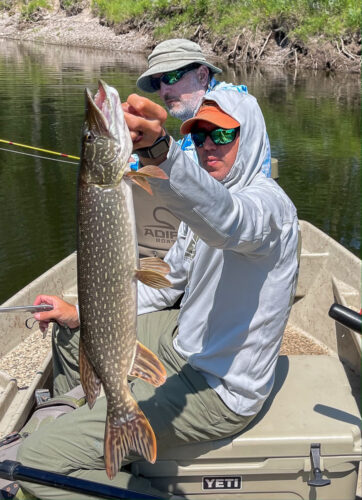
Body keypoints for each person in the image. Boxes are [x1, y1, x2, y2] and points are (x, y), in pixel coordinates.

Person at [17, 89, 299, 500]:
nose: (207, 146)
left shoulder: (270, 210)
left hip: (218, 387)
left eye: (222, 136)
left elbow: (228, 221)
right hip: (183, 341)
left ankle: (74, 453)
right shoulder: (197, 205)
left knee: (34, 463)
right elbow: (168, 283)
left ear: (250, 136)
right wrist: (80, 313)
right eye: (198, 136)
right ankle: (78, 423)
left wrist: (162, 150)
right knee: (72, 332)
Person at [132, 38, 273, 257]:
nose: (163, 91)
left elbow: (187, 165)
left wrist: (152, 148)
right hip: (200, 235)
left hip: (239, 236)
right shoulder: (198, 116)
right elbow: (184, 152)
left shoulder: (229, 104)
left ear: (202, 75)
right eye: (157, 83)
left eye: (170, 77)